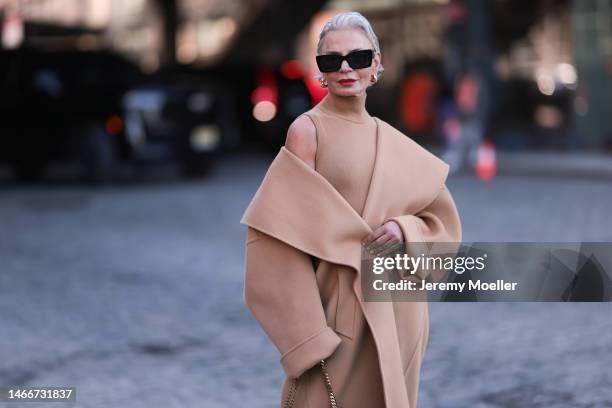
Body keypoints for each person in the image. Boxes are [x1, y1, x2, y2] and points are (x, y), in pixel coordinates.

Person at [240, 11, 462, 408]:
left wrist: (403, 228)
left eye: (358, 58)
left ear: (376, 63)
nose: (346, 69)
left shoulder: (393, 141)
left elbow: (441, 224)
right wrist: (307, 337)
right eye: (331, 61)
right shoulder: (307, 131)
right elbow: (276, 238)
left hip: (398, 312)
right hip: (337, 314)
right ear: (320, 70)